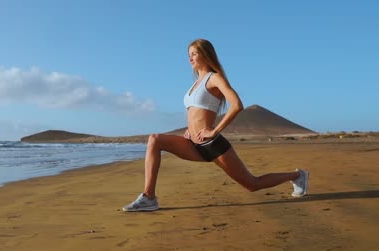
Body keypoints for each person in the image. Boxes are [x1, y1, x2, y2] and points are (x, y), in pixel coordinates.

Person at [122, 39, 309, 212]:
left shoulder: (214, 78)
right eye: (189, 54)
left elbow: (237, 105)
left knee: (252, 184)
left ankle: (297, 176)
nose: (190, 57)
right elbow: (196, 113)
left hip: (212, 144)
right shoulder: (195, 84)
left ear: (206, 55)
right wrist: (190, 130)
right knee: (155, 139)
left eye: (194, 53)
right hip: (193, 143)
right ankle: (149, 197)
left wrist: (215, 131)